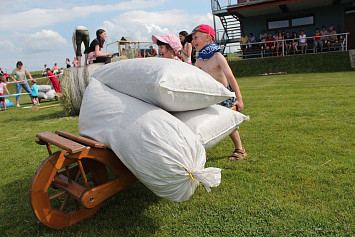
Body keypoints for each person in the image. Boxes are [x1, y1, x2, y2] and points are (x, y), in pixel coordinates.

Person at [185, 24, 247, 161]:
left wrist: (239, 97)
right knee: (203, 123)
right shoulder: (199, 60)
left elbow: (230, 77)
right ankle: (199, 152)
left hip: (225, 96)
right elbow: (198, 80)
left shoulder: (218, 57)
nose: (193, 41)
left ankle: (240, 149)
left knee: (229, 124)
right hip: (210, 97)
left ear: (207, 37)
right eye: (192, 39)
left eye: (196, 37)